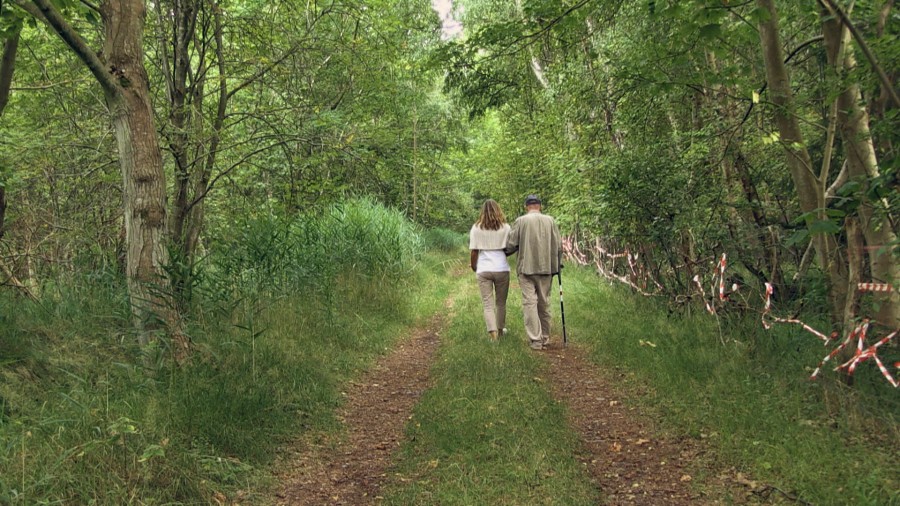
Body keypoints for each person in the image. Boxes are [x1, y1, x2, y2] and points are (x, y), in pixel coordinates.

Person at [505, 194, 562, 350]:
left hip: (527, 268)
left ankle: (535, 340)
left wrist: (503, 252)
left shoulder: (521, 221)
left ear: (526, 206)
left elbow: (511, 243)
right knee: (544, 302)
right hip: (547, 268)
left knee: (530, 302)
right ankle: (545, 337)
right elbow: (559, 245)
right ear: (540, 206)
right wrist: (558, 264)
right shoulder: (550, 220)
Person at [469, 199, 511, 342]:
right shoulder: (506, 227)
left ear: (482, 211)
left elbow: (474, 251)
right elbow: (510, 248)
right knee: (501, 303)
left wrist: (474, 266)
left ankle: (493, 336)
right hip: (501, 268)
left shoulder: (476, 228)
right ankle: (500, 330)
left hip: (484, 268)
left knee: (487, 303)